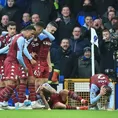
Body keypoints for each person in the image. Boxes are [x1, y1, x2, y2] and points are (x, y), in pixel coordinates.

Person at [0, 25, 36, 109]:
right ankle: (1, 101)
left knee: (15, 84)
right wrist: (24, 66)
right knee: (11, 84)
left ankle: (4, 102)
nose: (31, 36)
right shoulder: (21, 39)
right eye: (31, 33)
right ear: (27, 31)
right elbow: (19, 56)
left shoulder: (17, 37)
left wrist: (30, 59)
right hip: (11, 62)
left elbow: (23, 49)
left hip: (13, 62)